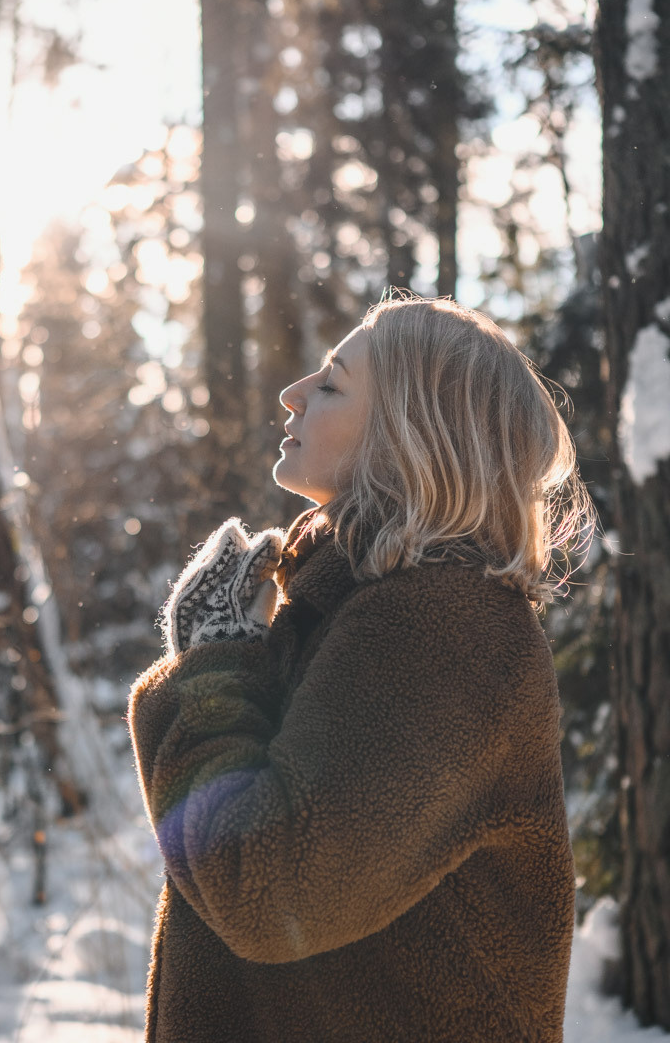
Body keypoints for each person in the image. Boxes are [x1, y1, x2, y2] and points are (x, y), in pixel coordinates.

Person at [128, 294, 594, 1043]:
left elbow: (270, 891)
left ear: (411, 435)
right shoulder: (359, 611)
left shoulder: (445, 630)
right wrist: (229, 654)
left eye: (332, 384)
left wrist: (215, 663)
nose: (293, 394)